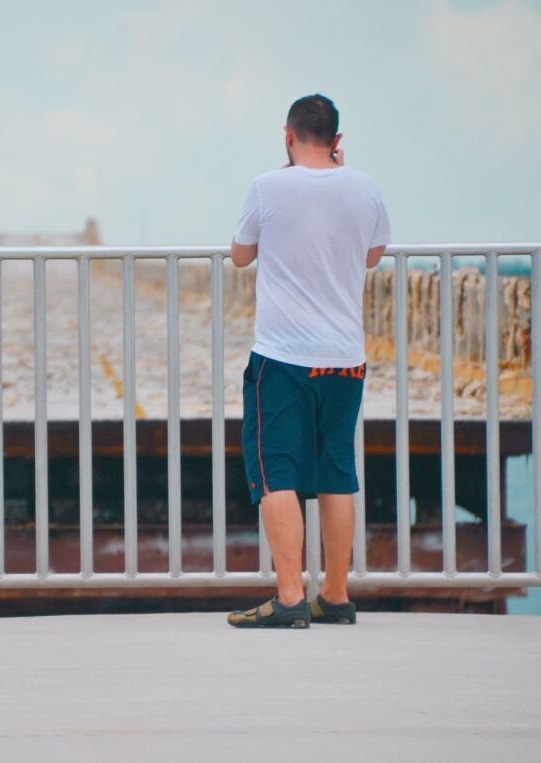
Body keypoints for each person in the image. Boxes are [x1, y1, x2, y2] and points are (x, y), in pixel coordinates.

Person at [226, 94, 390, 629]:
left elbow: (241, 254)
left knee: (278, 474)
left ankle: (291, 597)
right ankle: (336, 596)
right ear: (337, 142)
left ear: (288, 135)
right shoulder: (365, 186)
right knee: (337, 473)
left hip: (283, 356)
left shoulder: (268, 185)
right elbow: (371, 255)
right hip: (345, 356)